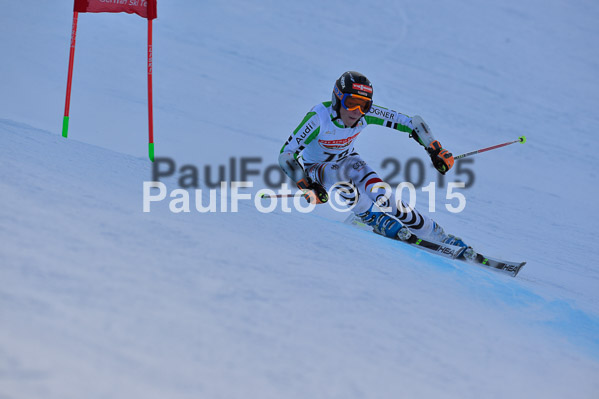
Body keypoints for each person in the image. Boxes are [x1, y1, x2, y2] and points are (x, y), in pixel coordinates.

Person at [278, 71, 475, 259]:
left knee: (383, 195)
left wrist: (435, 149)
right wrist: (307, 185)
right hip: (317, 170)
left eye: (363, 105)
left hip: (348, 160)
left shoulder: (367, 114)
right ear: (337, 99)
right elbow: (286, 154)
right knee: (337, 172)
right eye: (351, 103)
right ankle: (369, 216)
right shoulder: (319, 117)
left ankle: (435, 234)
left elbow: (411, 122)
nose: (357, 112)